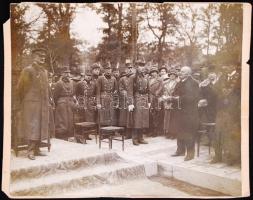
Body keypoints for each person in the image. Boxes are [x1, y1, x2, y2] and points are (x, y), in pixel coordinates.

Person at [16, 48, 50, 160]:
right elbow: (20, 88)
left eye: (44, 56)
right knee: (32, 126)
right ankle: (30, 151)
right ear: (34, 57)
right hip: (31, 104)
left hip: (42, 104)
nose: (42, 58)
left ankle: (37, 149)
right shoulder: (28, 70)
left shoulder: (44, 72)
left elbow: (46, 89)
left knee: (40, 126)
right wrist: (25, 101)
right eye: (40, 56)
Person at [171, 66, 200, 161]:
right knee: (180, 131)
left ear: (188, 73)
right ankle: (180, 150)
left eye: (182, 72)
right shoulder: (179, 82)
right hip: (179, 111)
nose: (180, 73)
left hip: (190, 112)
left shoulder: (194, 83)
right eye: (180, 71)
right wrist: (172, 98)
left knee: (189, 132)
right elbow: (174, 93)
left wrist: (178, 98)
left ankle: (190, 154)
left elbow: (192, 97)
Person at [54, 67, 76, 141]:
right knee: (62, 120)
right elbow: (55, 95)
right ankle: (61, 134)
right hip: (62, 102)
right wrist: (58, 103)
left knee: (70, 119)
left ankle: (69, 134)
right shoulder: (59, 83)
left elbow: (73, 92)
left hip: (70, 101)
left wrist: (72, 101)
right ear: (62, 74)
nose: (67, 74)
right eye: (66, 73)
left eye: (68, 73)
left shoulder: (71, 82)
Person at [131, 59, 150, 145]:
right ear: (136, 67)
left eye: (143, 65)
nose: (142, 68)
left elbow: (148, 90)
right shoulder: (133, 77)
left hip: (144, 99)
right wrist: (130, 103)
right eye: (139, 66)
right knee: (137, 119)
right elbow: (129, 91)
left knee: (143, 119)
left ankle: (141, 138)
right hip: (137, 98)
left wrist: (149, 101)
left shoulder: (146, 77)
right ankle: (134, 138)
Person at [118, 60, 135, 139]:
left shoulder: (135, 78)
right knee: (125, 117)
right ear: (125, 69)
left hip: (134, 100)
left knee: (132, 116)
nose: (130, 69)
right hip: (125, 100)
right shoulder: (122, 79)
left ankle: (133, 133)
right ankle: (126, 133)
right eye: (128, 68)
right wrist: (127, 96)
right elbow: (121, 89)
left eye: (131, 68)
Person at [160, 69, 179, 139]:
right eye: (171, 75)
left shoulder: (177, 83)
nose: (172, 76)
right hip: (166, 101)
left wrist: (172, 97)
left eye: (173, 75)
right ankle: (167, 132)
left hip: (174, 102)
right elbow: (163, 91)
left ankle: (173, 133)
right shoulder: (166, 83)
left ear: (176, 76)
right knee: (166, 117)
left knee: (173, 118)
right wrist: (164, 97)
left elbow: (178, 93)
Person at [149, 66, 163, 137]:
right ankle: (151, 130)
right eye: (152, 72)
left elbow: (161, 88)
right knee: (151, 114)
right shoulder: (149, 80)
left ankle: (156, 131)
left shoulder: (160, 80)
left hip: (157, 98)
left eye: (154, 72)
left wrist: (156, 94)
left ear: (157, 73)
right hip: (150, 98)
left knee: (157, 114)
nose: (153, 73)